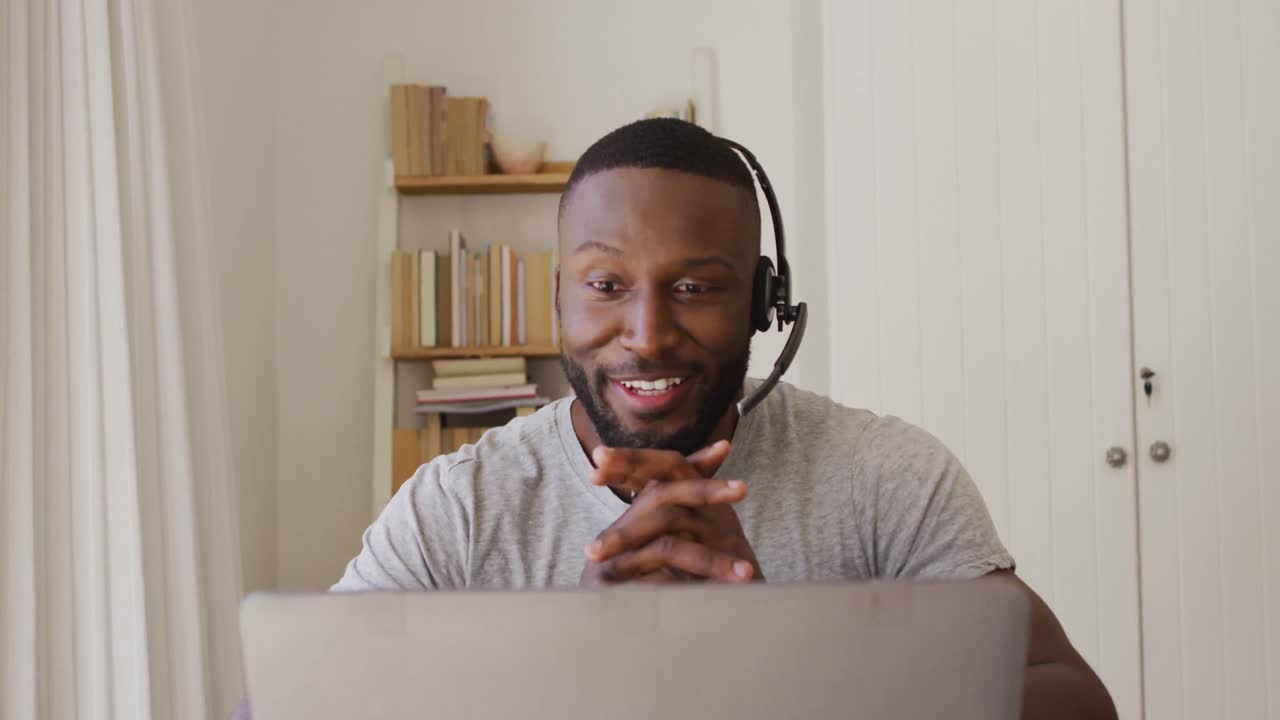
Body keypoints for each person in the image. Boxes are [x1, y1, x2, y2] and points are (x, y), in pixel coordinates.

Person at [236, 118, 1116, 719]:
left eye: (695, 286)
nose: (648, 335)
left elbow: (1078, 702)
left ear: (765, 304)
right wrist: (570, 659)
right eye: (607, 286)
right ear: (558, 302)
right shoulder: (459, 505)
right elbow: (266, 707)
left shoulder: (887, 474)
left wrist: (778, 655)